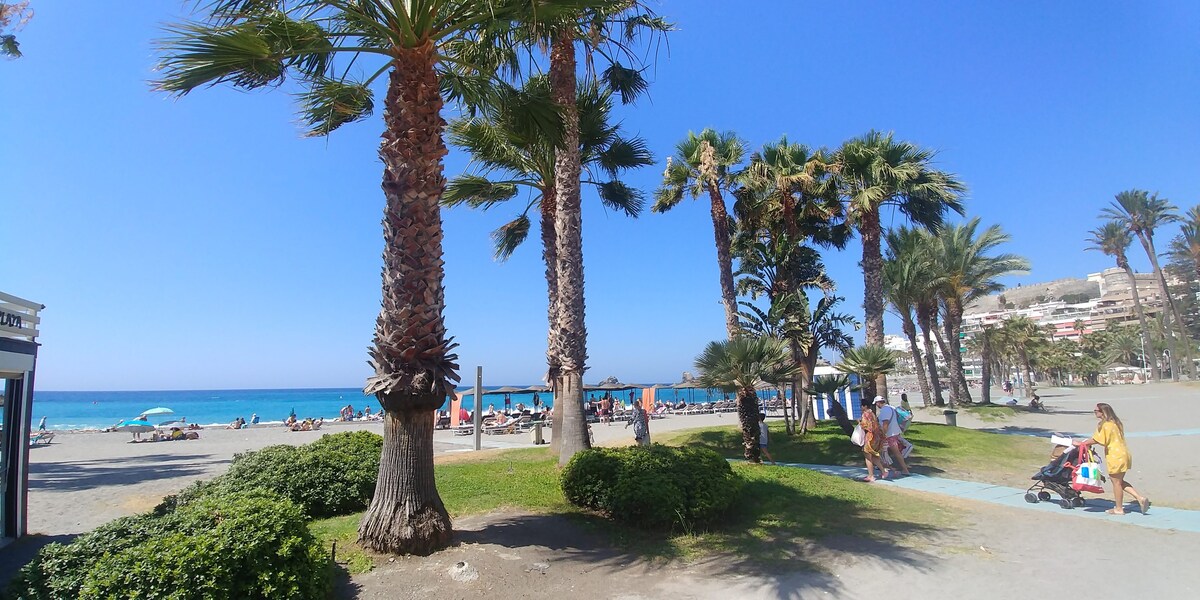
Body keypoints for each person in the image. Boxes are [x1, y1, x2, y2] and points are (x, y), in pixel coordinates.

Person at [1077, 403, 1150, 515]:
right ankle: (1139, 498)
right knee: (1118, 481)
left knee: (1116, 483)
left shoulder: (1106, 425)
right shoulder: (1116, 423)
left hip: (1115, 455)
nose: (1095, 412)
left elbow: (1098, 439)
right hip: (1123, 453)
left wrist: (1082, 443)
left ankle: (1119, 508)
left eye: (1096, 410)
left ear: (1103, 412)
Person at [874, 396, 910, 476]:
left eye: (876, 403)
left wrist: (883, 435)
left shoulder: (884, 411)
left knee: (885, 452)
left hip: (889, 435)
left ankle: (891, 469)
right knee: (893, 452)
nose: (876, 405)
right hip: (895, 433)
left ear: (878, 403)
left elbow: (885, 424)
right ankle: (903, 469)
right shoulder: (891, 408)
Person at [860, 407, 887, 481]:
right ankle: (883, 471)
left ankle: (871, 475)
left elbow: (866, 426)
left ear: (864, 406)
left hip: (870, 437)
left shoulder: (865, 414)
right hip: (876, 436)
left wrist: (859, 423)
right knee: (874, 456)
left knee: (868, 456)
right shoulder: (872, 414)